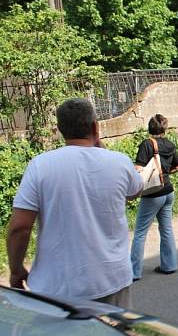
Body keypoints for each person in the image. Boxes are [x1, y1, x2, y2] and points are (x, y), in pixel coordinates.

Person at [7, 98, 144, 309]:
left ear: (60, 129)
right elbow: (135, 192)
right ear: (95, 127)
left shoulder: (40, 166)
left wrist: (16, 270)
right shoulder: (119, 162)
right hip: (112, 281)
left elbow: (19, 228)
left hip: (55, 288)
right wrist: (103, 149)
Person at [130, 114, 178, 281]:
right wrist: (164, 173)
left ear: (149, 128)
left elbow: (139, 169)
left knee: (139, 232)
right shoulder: (170, 144)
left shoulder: (147, 144)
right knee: (166, 229)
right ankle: (170, 265)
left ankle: (133, 272)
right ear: (165, 128)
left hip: (152, 194)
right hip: (168, 191)